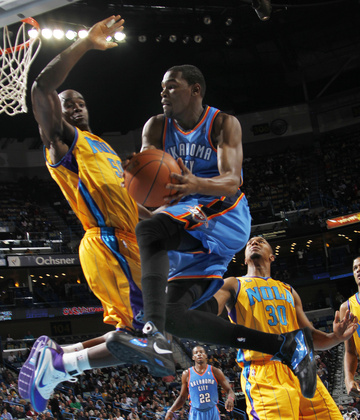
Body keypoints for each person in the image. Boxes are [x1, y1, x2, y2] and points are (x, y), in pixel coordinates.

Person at [106, 64, 317, 400]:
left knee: (151, 231)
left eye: (172, 86)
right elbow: (152, 200)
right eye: (162, 87)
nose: (163, 92)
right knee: (174, 313)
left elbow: (233, 180)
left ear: (196, 90)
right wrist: (130, 191)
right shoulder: (157, 127)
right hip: (185, 223)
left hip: (225, 214)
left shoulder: (221, 123)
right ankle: (285, 346)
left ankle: (153, 332)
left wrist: (195, 184)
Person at [17, 14, 175, 414]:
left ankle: (60, 360)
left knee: (139, 339)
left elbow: (129, 203)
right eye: (68, 105)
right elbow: (41, 87)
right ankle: (59, 365)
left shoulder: (102, 148)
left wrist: (170, 224)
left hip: (128, 241)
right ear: (57, 114)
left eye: (81, 104)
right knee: (152, 343)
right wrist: (86, 42)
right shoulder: (62, 144)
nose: (76, 109)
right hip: (106, 241)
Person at [214, 235, 357, 420]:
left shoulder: (288, 290)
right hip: (264, 373)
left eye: (261, 241)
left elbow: (310, 336)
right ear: (244, 259)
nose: (254, 242)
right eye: (250, 242)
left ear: (272, 256)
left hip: (302, 370)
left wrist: (335, 337)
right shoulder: (233, 284)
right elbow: (208, 310)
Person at [164, 345, 234, 420]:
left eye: (201, 352)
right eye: (196, 353)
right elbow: (182, 397)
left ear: (206, 355)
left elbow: (230, 390)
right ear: (193, 357)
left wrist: (230, 398)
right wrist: (171, 410)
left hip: (212, 413)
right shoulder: (186, 374)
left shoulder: (215, 371)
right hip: (196, 415)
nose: (199, 354)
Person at [340, 256, 360, 397]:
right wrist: (349, 378)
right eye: (355, 268)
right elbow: (350, 351)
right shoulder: (346, 308)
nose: (358, 270)